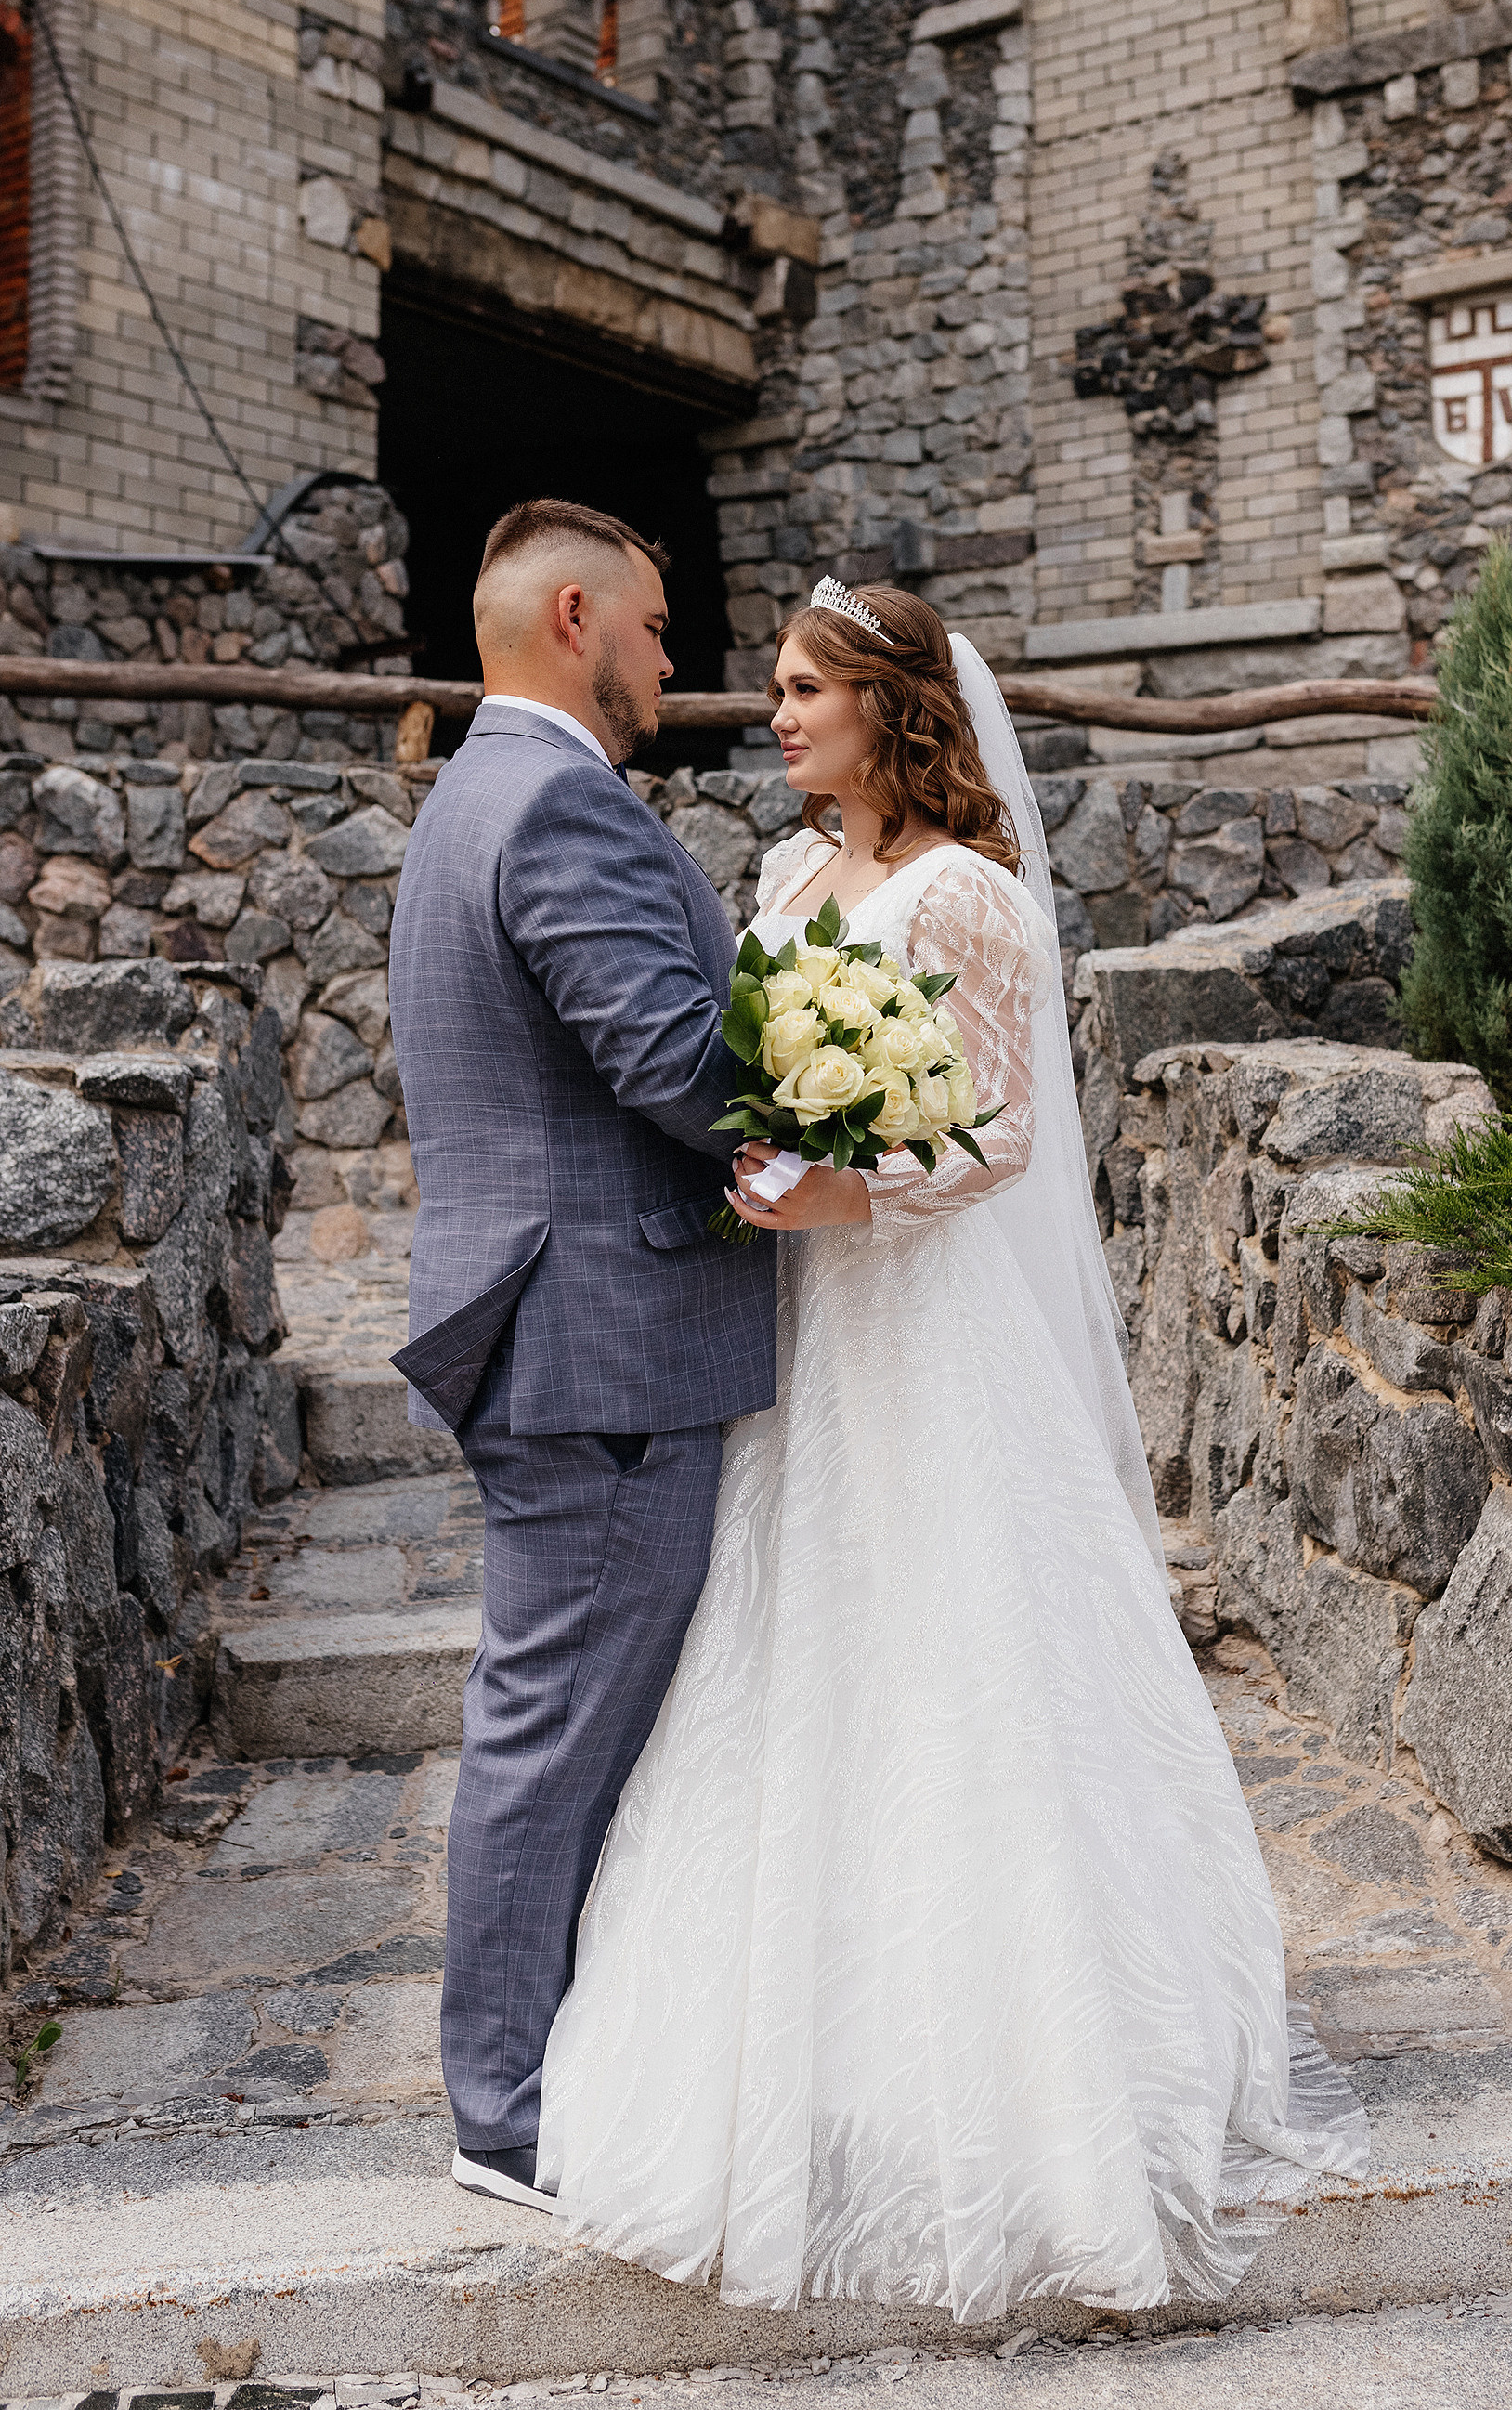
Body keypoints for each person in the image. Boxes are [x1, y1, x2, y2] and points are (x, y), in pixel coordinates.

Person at [535, 580, 1368, 2318]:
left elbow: (995, 1140)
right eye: (766, 686)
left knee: (969, 1661)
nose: (772, 714)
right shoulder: (779, 883)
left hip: (933, 1323)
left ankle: (1038, 2090)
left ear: (892, 707)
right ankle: (821, 2081)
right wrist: (775, 1171)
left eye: (803, 690)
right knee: (808, 1659)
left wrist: (851, 1184)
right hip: (811, 1332)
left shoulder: (971, 897)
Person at [388, 498, 776, 2212]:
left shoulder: (472, 790)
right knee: (547, 1731)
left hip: (552, 1330)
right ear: (572, 618)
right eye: (655, 623)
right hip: (597, 1344)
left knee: (551, 1717)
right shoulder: (557, 802)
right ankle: (511, 2114)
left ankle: (538, 2069)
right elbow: (673, 1064)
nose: (672, 656)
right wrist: (853, 1119)